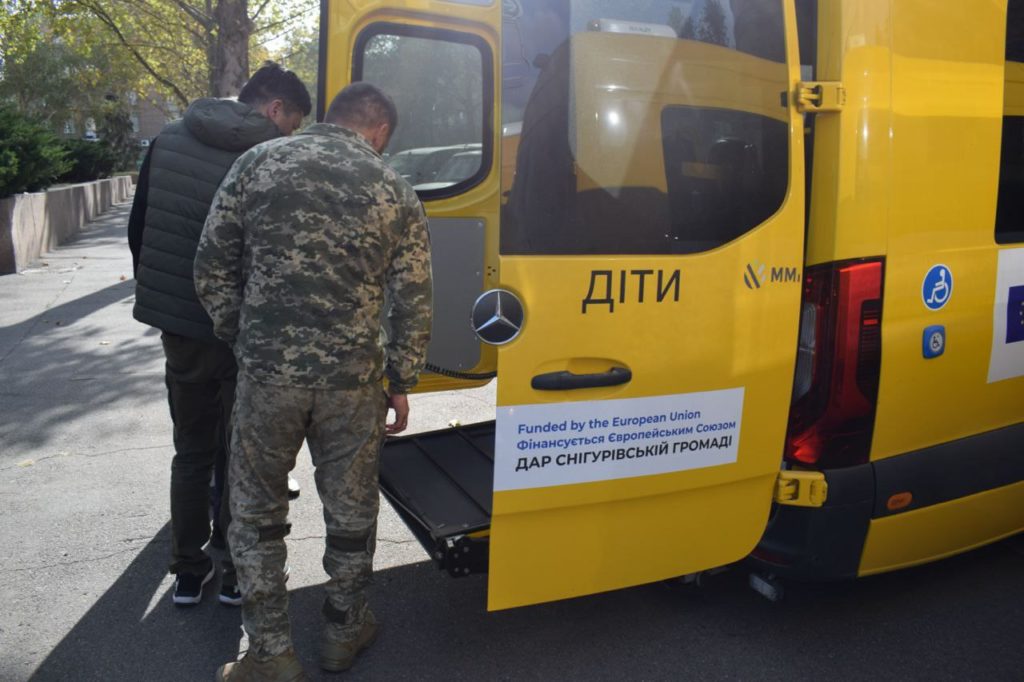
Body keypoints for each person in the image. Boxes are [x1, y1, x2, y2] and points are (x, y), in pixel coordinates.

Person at [194, 82, 432, 681]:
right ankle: (342, 633)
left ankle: (272, 654)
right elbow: (414, 299)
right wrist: (401, 378)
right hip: (352, 382)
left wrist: (244, 338)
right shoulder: (392, 187)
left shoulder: (259, 162)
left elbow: (211, 264)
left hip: (267, 376)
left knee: (256, 513)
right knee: (351, 511)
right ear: (378, 130)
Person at [128, 62, 312, 608]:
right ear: (275, 108)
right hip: (244, 330)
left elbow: (140, 229)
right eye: (294, 123)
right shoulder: (275, 156)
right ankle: (232, 571)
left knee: (190, 450)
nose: (292, 135)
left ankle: (187, 573)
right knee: (240, 453)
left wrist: (167, 301)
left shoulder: (166, 138)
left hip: (181, 326)